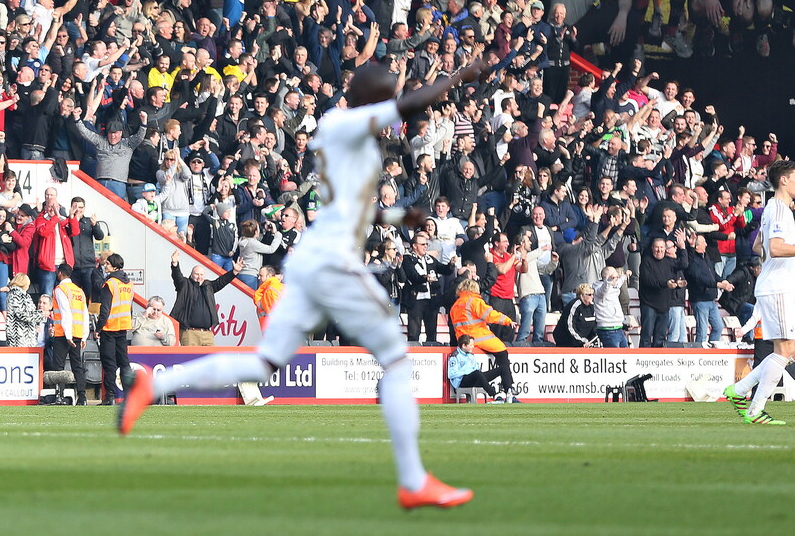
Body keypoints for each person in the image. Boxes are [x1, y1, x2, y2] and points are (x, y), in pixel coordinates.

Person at [119, 61, 485, 509]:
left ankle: (151, 387)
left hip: (317, 258)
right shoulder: (343, 122)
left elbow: (350, 210)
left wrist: (395, 216)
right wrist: (456, 79)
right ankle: (412, 480)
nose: (392, 105)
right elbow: (407, 105)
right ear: (371, 97)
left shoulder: (356, 139)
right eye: (386, 95)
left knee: (262, 365)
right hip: (331, 262)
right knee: (396, 359)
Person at [724, 160, 795, 425]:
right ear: (783, 180)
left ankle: (738, 391)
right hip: (776, 288)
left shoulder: (777, 209)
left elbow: (761, 245)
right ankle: (753, 409)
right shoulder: (779, 210)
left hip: (781, 285)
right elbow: (774, 249)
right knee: (784, 350)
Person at [449, 278, 519, 402]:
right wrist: (507, 320)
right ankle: (509, 388)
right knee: (502, 351)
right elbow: (490, 315)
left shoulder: (455, 305)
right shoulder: (474, 301)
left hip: (463, 340)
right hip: (479, 337)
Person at [169, 249, 242, 346]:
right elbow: (177, 276)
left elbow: (221, 281)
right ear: (191, 275)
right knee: (191, 360)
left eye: (201, 274)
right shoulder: (184, 284)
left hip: (207, 334)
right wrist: (175, 264)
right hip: (190, 333)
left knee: (210, 359)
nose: (199, 277)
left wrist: (234, 272)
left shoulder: (209, 286)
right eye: (196, 274)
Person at [97, 253, 134, 405]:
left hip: (110, 328)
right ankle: (129, 396)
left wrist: (98, 328)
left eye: (107, 264)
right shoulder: (129, 284)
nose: (105, 266)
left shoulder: (110, 284)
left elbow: (105, 310)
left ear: (114, 266)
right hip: (123, 327)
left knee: (110, 364)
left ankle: (110, 396)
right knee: (124, 363)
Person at [51, 264, 89, 405]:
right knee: (77, 366)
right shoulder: (79, 291)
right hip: (78, 333)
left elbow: (65, 313)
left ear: (60, 273)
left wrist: (68, 335)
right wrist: (84, 335)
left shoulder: (60, 289)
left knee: (59, 366)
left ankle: (59, 396)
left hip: (64, 334)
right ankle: (82, 397)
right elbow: (85, 314)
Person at [446, 334, 506, 403]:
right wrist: (468, 372)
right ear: (464, 346)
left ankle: (509, 393)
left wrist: (474, 372)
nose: (473, 347)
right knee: (477, 373)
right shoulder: (455, 356)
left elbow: (476, 369)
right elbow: (451, 374)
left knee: (503, 369)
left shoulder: (471, 355)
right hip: (461, 381)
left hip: (474, 377)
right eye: (471, 345)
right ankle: (494, 395)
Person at [5, 273, 45, 347]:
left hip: (24, 336)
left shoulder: (17, 294)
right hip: (20, 337)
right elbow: (21, 314)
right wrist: (40, 314)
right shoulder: (17, 294)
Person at [552, 283, 598, 347]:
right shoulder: (574, 306)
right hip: (567, 342)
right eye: (589, 295)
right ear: (582, 296)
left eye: (593, 294)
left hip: (585, 342)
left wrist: (590, 341)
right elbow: (570, 326)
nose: (592, 297)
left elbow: (595, 326)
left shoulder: (593, 307)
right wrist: (581, 341)